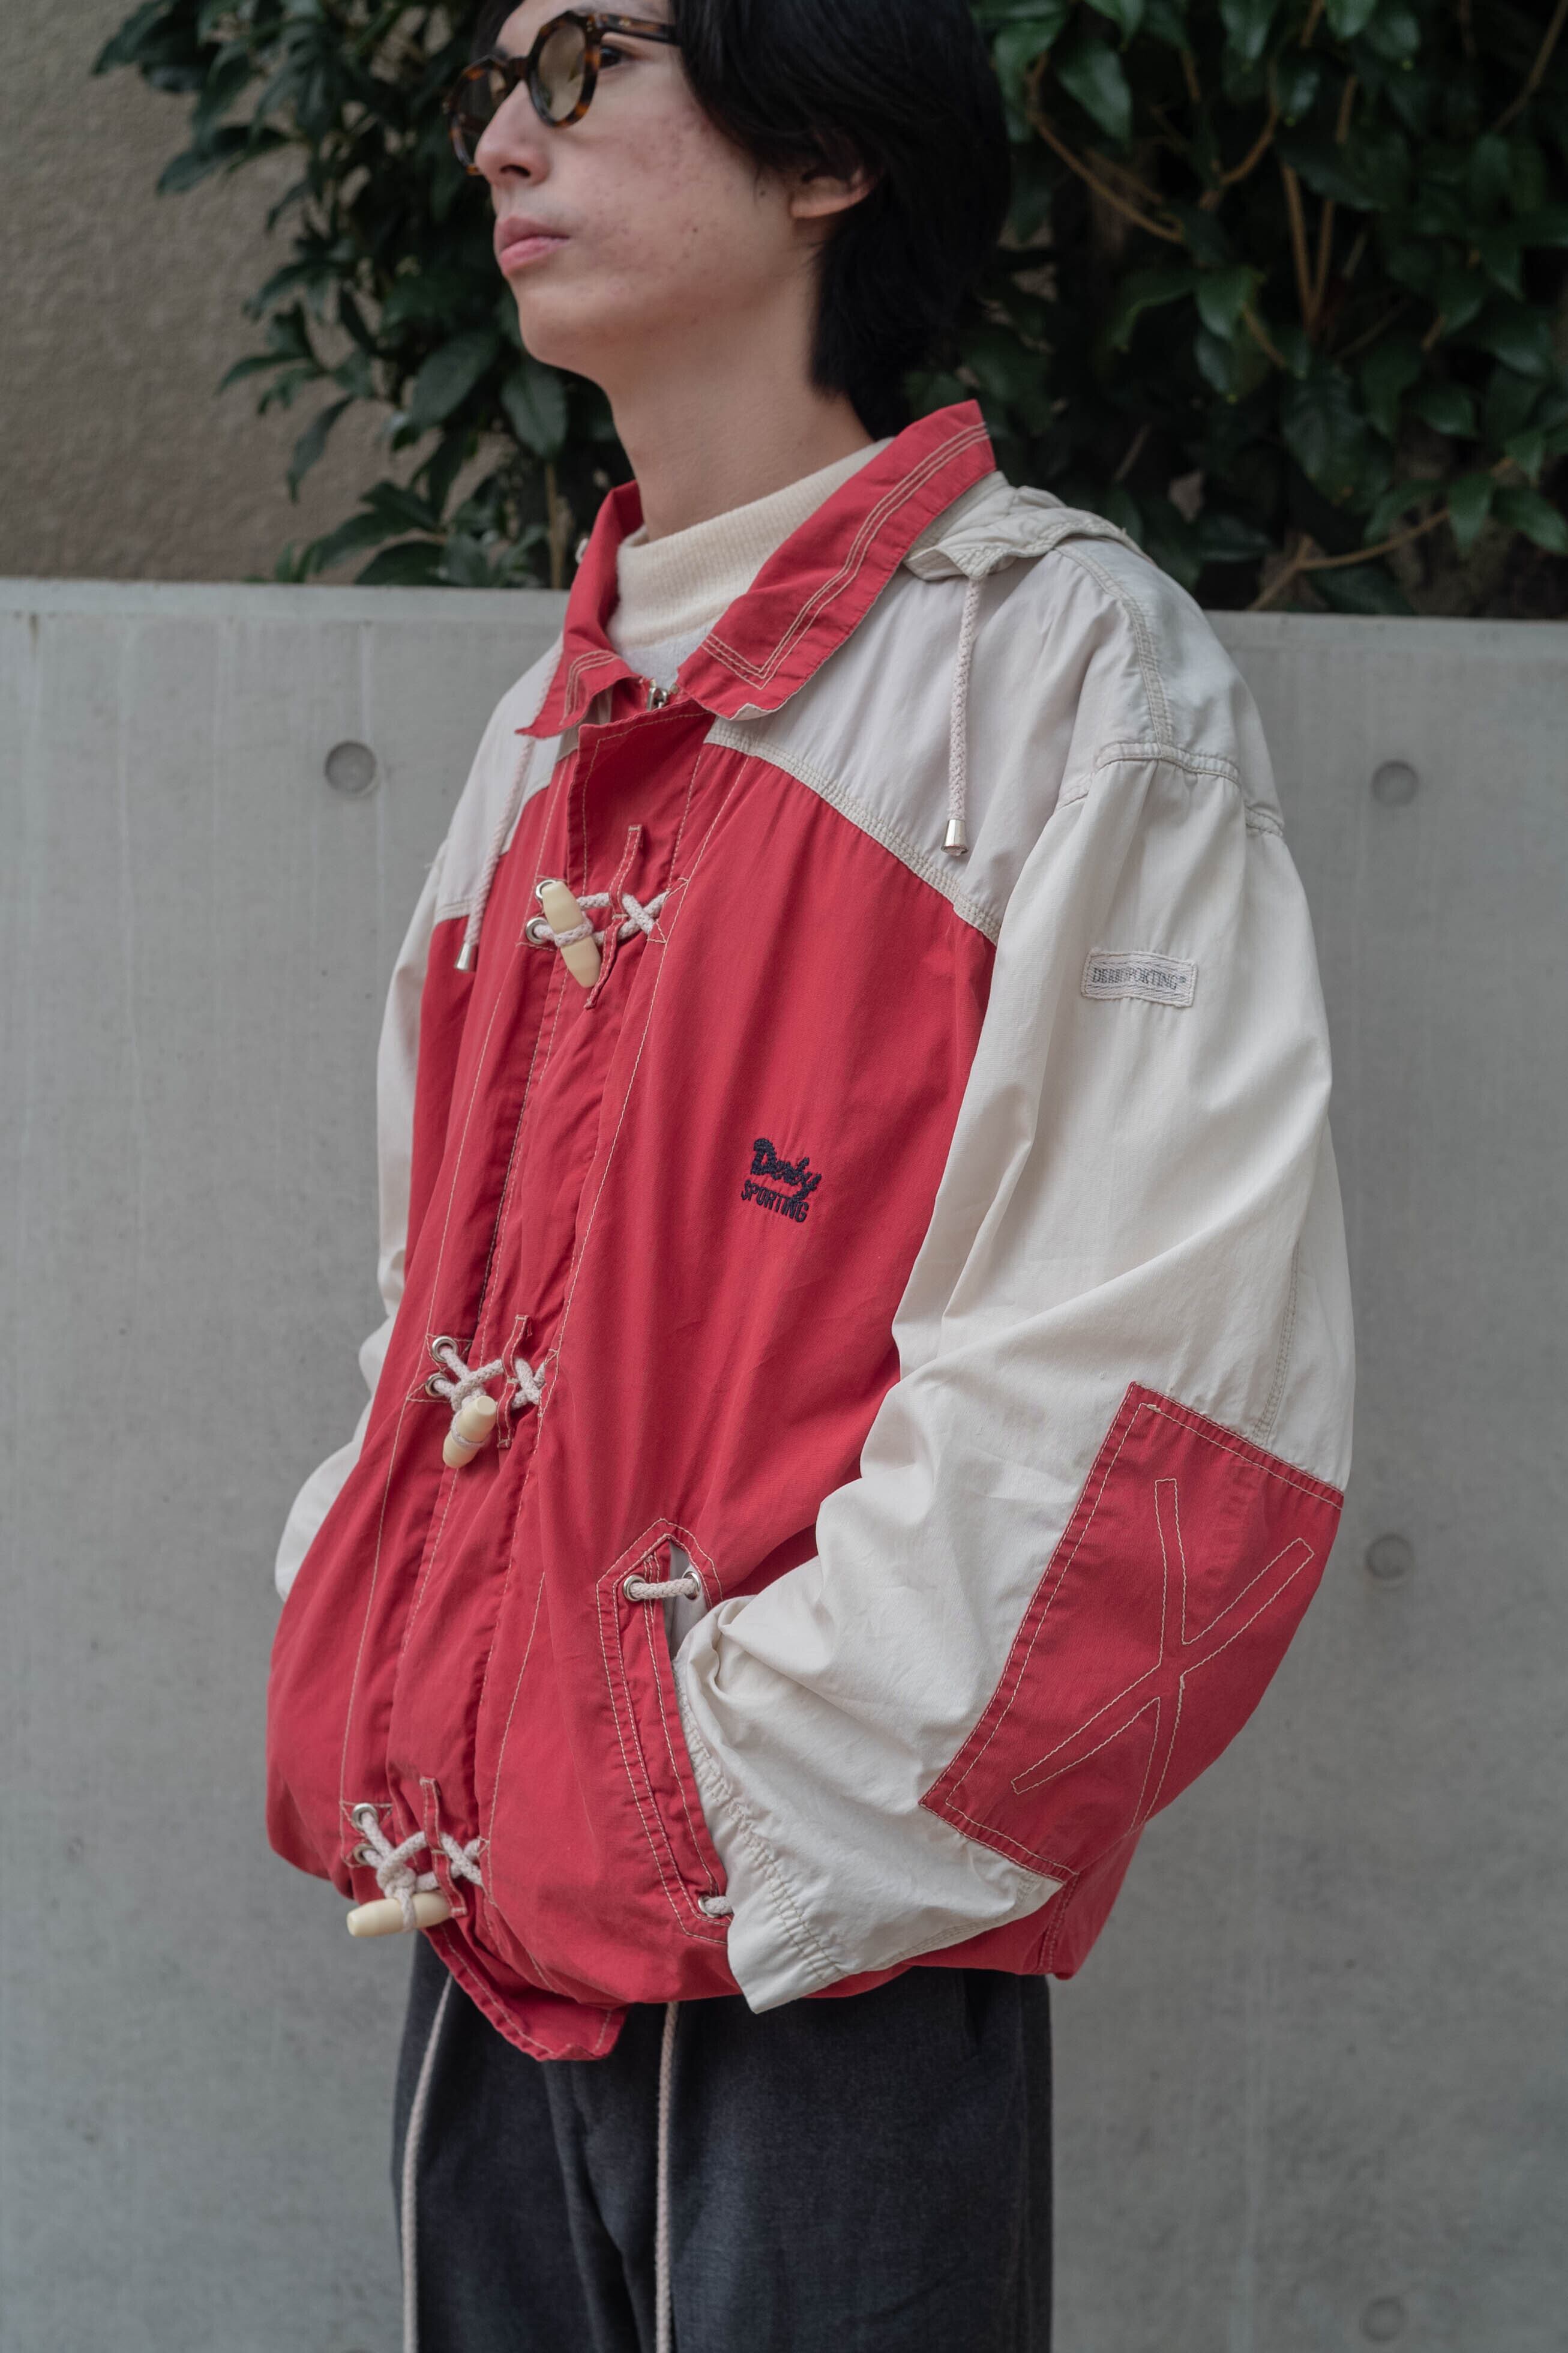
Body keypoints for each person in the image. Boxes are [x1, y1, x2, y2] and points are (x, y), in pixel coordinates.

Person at [265, 1, 1355, 2346]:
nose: (501, 138)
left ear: (829, 147)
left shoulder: (1060, 674)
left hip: (818, 1954)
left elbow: (1162, 1408)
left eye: (582, 63)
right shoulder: (541, 727)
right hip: (482, 1918)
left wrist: (698, 1796)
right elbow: (424, 1312)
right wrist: (405, 1670)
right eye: (492, 80)